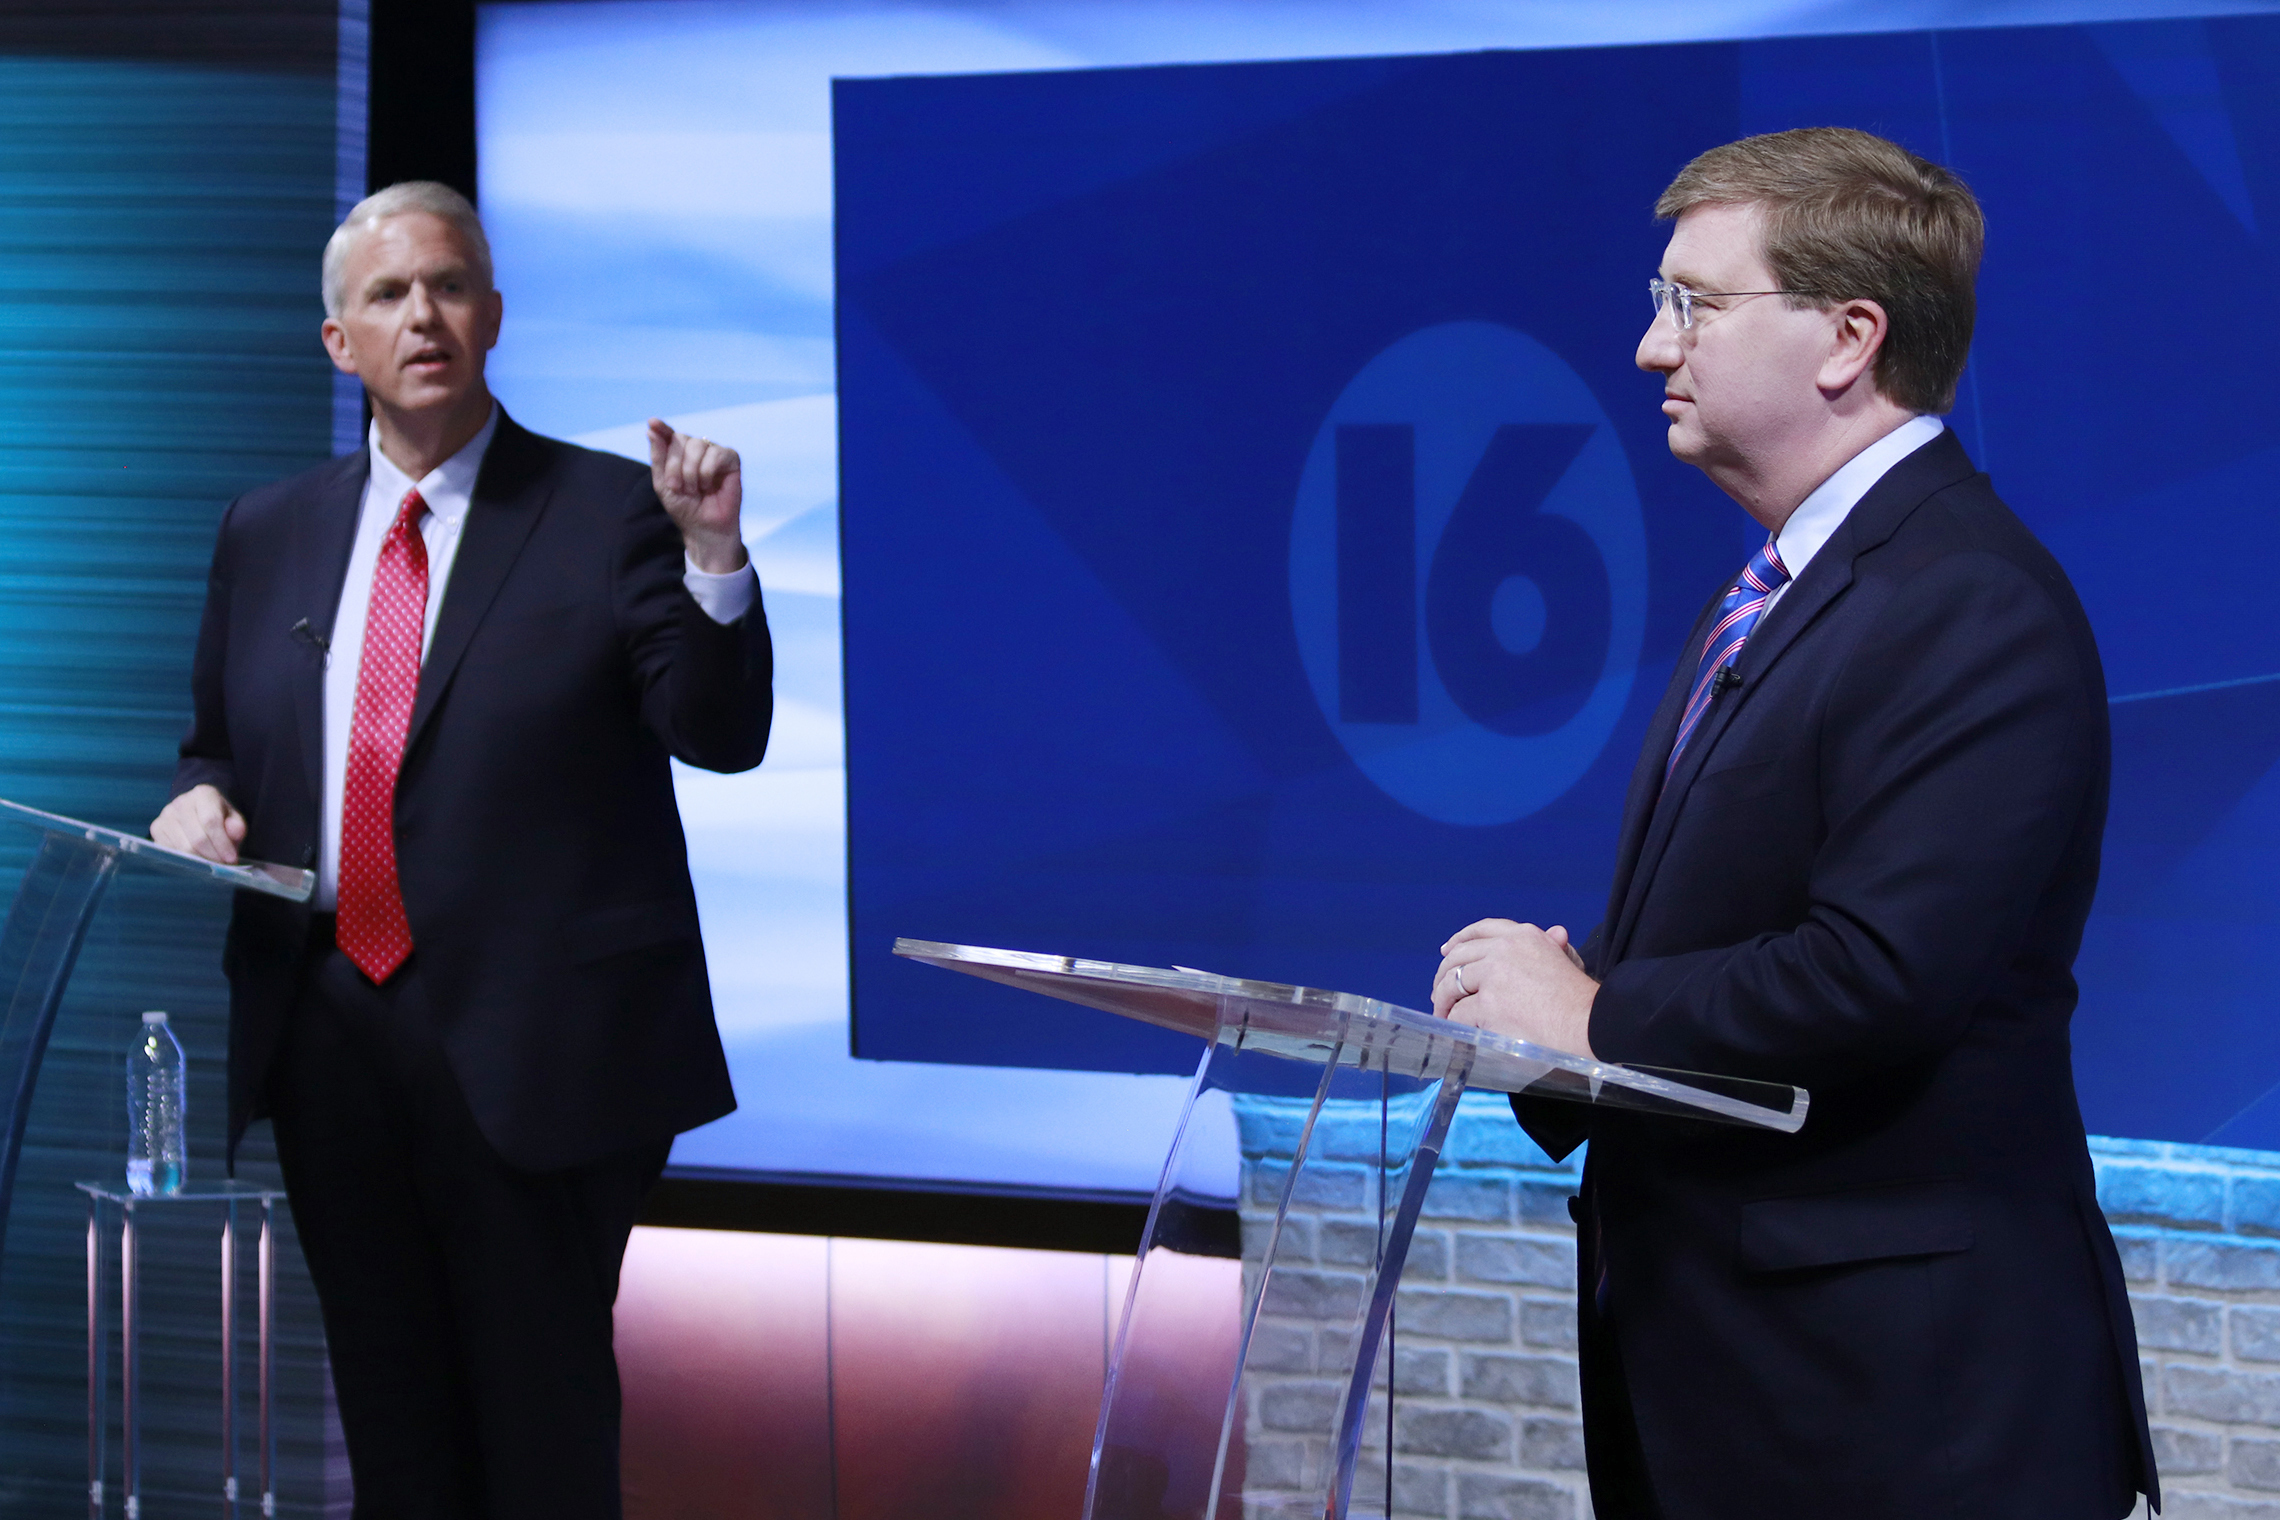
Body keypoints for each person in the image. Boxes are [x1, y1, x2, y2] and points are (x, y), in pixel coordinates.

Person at [1429, 129, 2156, 1517]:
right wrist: (1544, 1032)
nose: (1653, 348)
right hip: (1736, 1394)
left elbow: (1880, 977)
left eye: (1694, 304)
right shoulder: (1777, 587)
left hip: (1897, 1421)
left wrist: (1594, 1015)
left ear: (1847, 337)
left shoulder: (1966, 600)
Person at [151, 180, 771, 1517]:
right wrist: (194, 804)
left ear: (492, 315)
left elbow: (717, 733)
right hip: (328, 1036)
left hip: (541, 1046)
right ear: (339, 341)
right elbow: (216, 741)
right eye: (387, 294)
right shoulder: (268, 531)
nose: (420, 315)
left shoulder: (608, 511)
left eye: (446, 286)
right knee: (393, 1426)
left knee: (538, 1431)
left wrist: (714, 554)